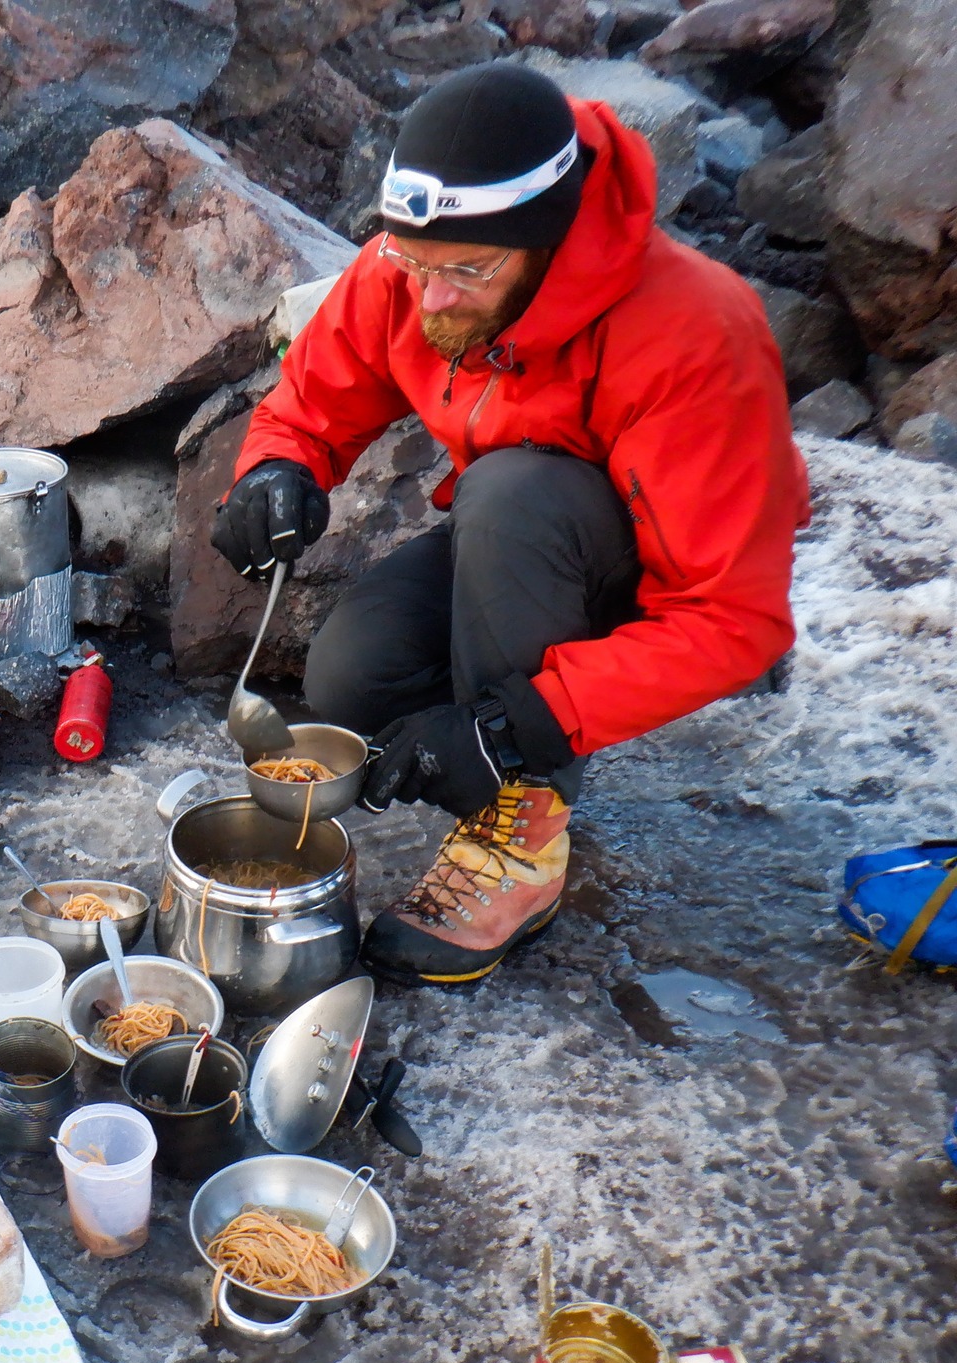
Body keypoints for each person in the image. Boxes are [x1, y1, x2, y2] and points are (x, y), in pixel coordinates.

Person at [212, 61, 805, 986]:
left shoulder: (697, 332)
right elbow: (312, 401)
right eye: (412, 263)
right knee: (350, 678)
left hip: (652, 579)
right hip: (520, 543)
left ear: (550, 241)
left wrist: (517, 725)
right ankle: (490, 735)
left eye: (467, 272)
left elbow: (738, 619)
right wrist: (276, 470)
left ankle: (522, 839)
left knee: (514, 492)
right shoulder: (412, 266)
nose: (431, 298)